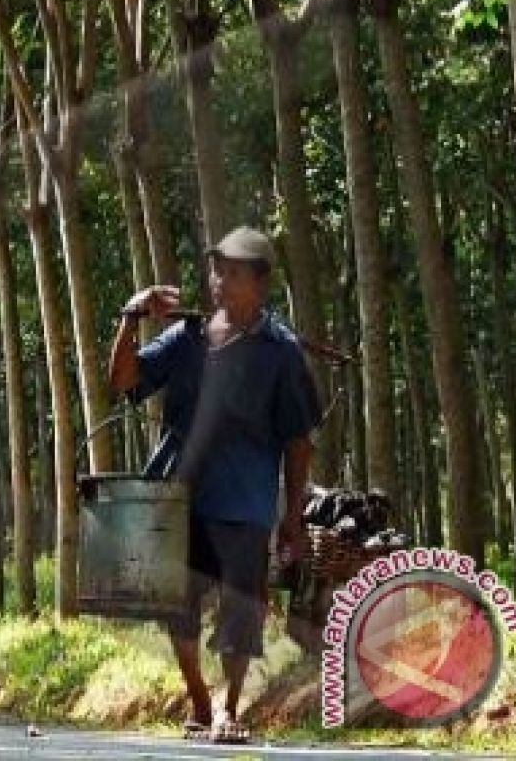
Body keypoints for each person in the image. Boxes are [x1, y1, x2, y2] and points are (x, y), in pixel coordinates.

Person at [107, 227, 321, 744]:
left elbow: (297, 440)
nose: (220, 282)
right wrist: (131, 316)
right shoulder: (187, 338)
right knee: (175, 606)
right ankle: (200, 699)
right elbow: (123, 380)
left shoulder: (282, 352)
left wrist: (292, 517)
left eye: (233, 272)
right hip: (180, 495)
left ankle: (229, 707)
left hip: (246, 502)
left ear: (260, 282)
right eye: (216, 270)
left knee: (241, 608)